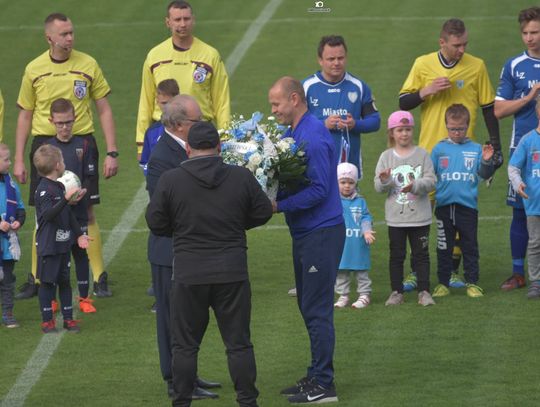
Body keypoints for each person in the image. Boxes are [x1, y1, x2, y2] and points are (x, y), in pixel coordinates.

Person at [146, 121, 272, 407]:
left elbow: (155, 222)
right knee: (238, 344)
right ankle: (248, 402)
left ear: (188, 148)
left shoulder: (171, 180)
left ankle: (181, 402)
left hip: (189, 272)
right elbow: (263, 211)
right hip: (232, 270)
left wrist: (179, 231)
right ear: (218, 147)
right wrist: (238, 225)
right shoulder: (239, 177)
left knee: (185, 346)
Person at [14, 12, 118, 300]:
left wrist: (111, 151)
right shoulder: (34, 68)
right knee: (43, 214)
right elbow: (25, 114)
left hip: (81, 143)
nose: (70, 38)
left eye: (72, 32)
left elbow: (104, 108)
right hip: (45, 144)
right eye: (64, 34)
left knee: (86, 210)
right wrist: (21, 159)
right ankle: (35, 279)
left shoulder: (88, 64)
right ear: (49, 37)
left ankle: (99, 277)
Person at [398, 18, 502, 291]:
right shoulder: (423, 64)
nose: (462, 49)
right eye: (457, 45)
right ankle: (413, 272)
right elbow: (403, 103)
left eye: (465, 43)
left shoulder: (476, 66)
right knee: (419, 217)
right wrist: (426, 90)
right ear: (442, 42)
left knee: (457, 216)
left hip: (462, 155)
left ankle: (453, 272)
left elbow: (489, 107)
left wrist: (496, 145)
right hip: (430, 154)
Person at [269, 76, 344, 404]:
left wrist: (277, 205)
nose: (273, 111)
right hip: (306, 232)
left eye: (277, 104)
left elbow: (318, 189)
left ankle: (324, 384)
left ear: (295, 99)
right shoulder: (293, 133)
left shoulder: (311, 136)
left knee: (317, 308)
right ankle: (315, 374)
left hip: (321, 232)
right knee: (307, 304)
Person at [145, 95, 221, 400]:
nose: (202, 125)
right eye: (197, 120)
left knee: (188, 318)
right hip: (169, 251)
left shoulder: (181, 150)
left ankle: (188, 375)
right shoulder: (163, 156)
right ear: (178, 124)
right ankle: (176, 380)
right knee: (170, 318)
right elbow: (166, 208)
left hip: (186, 249)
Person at [136, 0, 230, 158]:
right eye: (177, 19)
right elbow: (145, 100)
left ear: (193, 19)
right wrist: (141, 143)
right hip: (163, 130)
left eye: (186, 19)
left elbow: (221, 100)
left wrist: (226, 137)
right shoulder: (154, 56)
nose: (182, 24)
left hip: (199, 129)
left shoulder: (210, 55)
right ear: (168, 22)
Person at [495, 6, 540, 291]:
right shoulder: (514, 66)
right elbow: (499, 109)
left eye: (534, 32)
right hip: (523, 148)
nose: (529, 38)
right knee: (520, 211)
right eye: (525, 33)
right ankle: (518, 272)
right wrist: (529, 97)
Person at [431, 104, 495, 298]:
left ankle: (472, 283)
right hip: (443, 207)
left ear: (467, 126)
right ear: (446, 125)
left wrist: (486, 160)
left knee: (469, 246)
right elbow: (429, 175)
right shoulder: (439, 149)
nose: (456, 132)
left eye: (460, 128)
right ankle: (442, 283)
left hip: (467, 207)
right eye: (452, 129)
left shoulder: (476, 149)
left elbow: (484, 175)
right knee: (444, 246)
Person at [374, 110, 436, 307]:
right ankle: (396, 292)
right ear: (392, 132)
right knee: (397, 255)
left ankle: (424, 292)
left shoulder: (422, 154)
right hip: (396, 219)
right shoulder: (385, 157)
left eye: (408, 129)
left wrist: (415, 186)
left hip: (420, 217)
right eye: (400, 130)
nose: (404, 134)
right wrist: (386, 180)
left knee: (421, 255)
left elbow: (431, 180)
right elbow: (378, 187)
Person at [44, 98, 97, 313]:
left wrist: (83, 191)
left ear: (75, 120)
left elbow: (90, 176)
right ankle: (55, 299)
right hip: (58, 214)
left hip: (78, 211)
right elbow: (42, 181)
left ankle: (84, 299)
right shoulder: (47, 148)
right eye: (60, 123)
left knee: (80, 253)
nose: (64, 127)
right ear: (51, 121)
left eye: (68, 122)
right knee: (57, 255)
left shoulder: (84, 145)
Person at [303, 35, 380, 174]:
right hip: (315, 167)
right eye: (331, 59)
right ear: (320, 60)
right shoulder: (306, 87)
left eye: (340, 58)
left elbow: (375, 121)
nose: (336, 63)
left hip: (348, 172)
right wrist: (323, 125)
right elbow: (296, 125)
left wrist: (355, 124)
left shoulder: (358, 86)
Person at [33, 144, 90, 333]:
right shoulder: (43, 190)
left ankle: (68, 319)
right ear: (57, 165)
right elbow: (49, 215)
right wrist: (66, 199)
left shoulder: (58, 186)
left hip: (63, 242)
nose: (65, 163)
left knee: (65, 282)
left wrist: (80, 234)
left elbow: (68, 214)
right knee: (48, 283)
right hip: (49, 245)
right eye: (63, 160)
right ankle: (47, 320)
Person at [508, 98, 540, 299]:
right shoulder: (528, 140)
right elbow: (513, 167)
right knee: (535, 243)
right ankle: (536, 282)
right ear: (537, 112)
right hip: (534, 203)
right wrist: (518, 183)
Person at [334, 162, 375, 309]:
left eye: (351, 182)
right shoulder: (334, 202)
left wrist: (367, 230)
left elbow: (366, 217)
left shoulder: (360, 201)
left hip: (357, 243)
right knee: (341, 271)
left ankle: (364, 295)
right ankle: (343, 295)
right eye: (343, 182)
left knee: (361, 270)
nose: (347, 186)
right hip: (340, 244)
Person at [0, 143, 26, 328]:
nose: (9, 163)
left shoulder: (10, 184)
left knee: (7, 280)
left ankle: (8, 313)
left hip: (7, 245)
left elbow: (20, 208)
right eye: (6, 159)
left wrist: (18, 221)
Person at [139, 79, 180, 176]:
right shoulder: (152, 131)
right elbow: (145, 162)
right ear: (157, 101)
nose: (167, 107)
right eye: (164, 103)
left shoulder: (190, 127)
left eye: (170, 102)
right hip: (160, 185)